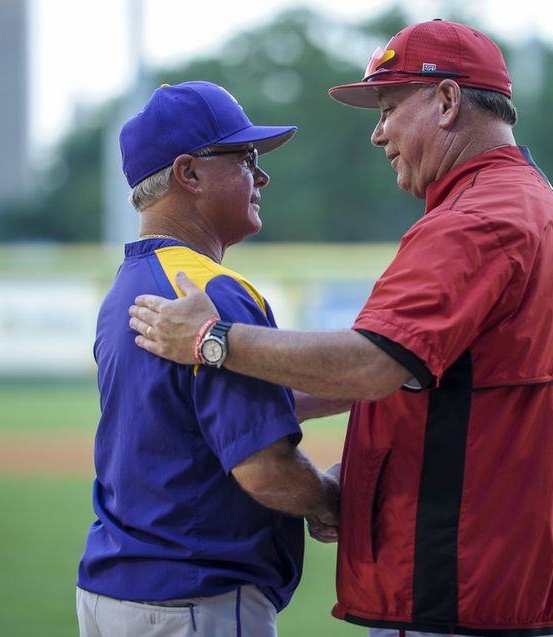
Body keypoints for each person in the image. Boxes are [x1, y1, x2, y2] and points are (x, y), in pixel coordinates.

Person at [128, 20, 553, 637]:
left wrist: (212, 341)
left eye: (388, 108)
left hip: (458, 587)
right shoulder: (527, 200)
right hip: (502, 578)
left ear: (446, 101)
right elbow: (423, 373)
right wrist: (246, 409)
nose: (378, 132)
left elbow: (371, 364)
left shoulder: (479, 217)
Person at [75, 81, 341, 637]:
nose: (262, 177)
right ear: (189, 174)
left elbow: (215, 410)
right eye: (245, 158)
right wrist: (330, 499)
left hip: (113, 592)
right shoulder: (211, 291)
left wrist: (370, 383)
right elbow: (266, 471)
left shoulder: (127, 287)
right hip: (196, 600)